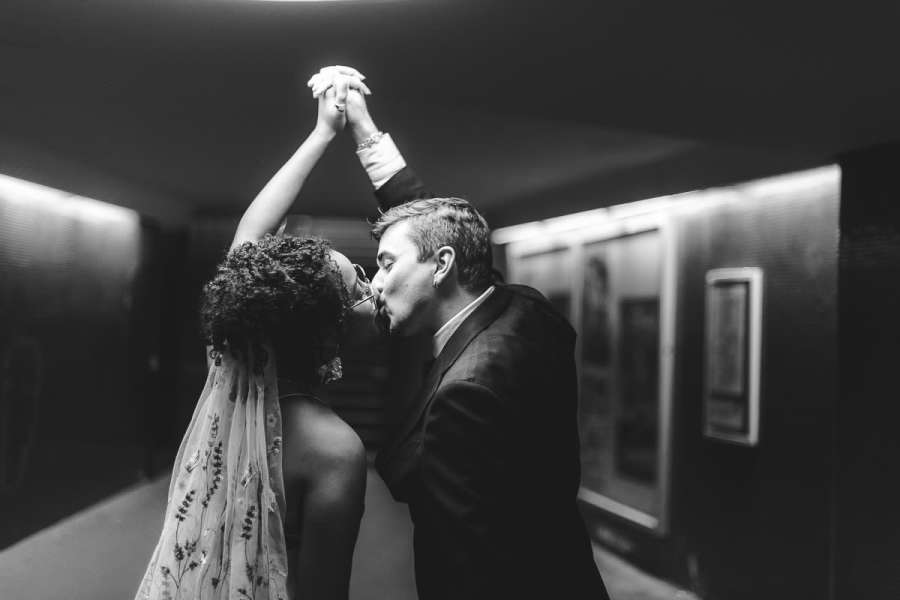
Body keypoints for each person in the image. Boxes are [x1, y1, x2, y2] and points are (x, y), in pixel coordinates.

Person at [310, 66, 611, 599]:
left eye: (385, 263)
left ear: (443, 266)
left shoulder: (465, 394)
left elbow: (466, 563)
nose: (375, 282)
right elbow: (435, 230)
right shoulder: (524, 310)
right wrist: (363, 128)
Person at [136, 68, 375, 600]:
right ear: (326, 332)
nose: (373, 287)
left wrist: (323, 132)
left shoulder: (230, 366)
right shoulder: (335, 450)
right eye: (358, 285)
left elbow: (250, 238)